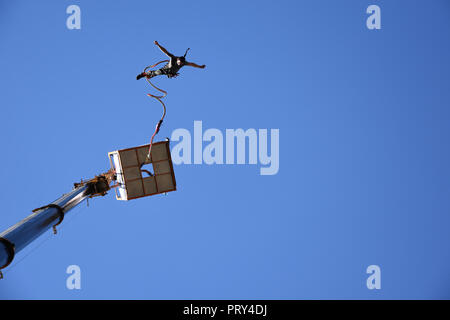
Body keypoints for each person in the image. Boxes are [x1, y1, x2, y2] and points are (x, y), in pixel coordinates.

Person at [137, 41, 205, 80]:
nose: (180, 64)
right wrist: (158, 45)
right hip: (165, 70)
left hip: (171, 73)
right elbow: (165, 51)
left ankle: (150, 74)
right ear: (177, 60)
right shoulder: (173, 58)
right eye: (179, 63)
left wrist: (200, 66)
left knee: (160, 73)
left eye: (181, 64)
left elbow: (192, 64)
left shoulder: (184, 63)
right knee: (158, 72)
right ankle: (145, 74)